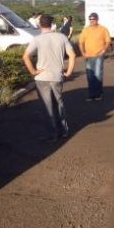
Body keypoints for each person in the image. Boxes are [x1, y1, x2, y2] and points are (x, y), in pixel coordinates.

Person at [22, 14, 76, 143]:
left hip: (42, 77)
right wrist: (68, 72)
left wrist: (33, 72)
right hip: (57, 76)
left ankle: (53, 134)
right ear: (52, 25)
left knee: (48, 106)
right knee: (59, 103)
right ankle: (64, 130)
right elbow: (72, 55)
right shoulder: (62, 37)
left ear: (40, 24)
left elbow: (25, 56)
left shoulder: (37, 39)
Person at [78, 12, 111, 101]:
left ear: (97, 19)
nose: (92, 21)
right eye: (90, 19)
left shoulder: (103, 29)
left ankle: (98, 94)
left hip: (98, 55)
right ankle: (91, 94)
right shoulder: (86, 29)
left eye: (93, 19)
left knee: (98, 74)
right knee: (90, 76)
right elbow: (81, 42)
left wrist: (104, 50)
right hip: (88, 56)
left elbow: (108, 41)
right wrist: (82, 53)